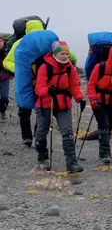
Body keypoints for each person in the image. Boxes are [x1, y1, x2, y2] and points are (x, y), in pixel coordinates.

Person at [34, 41, 87, 172]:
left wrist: (79, 98)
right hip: (46, 103)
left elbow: (74, 85)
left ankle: (72, 163)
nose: (65, 56)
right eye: (62, 53)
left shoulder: (69, 68)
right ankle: (42, 159)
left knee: (67, 132)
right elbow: (38, 88)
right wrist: (47, 91)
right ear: (55, 54)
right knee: (41, 132)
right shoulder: (45, 67)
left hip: (63, 103)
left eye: (67, 54)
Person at [0, 36, 11, 120]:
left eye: (0, 41)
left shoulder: (8, 51)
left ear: (3, 42)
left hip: (5, 76)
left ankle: (3, 111)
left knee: (4, 97)